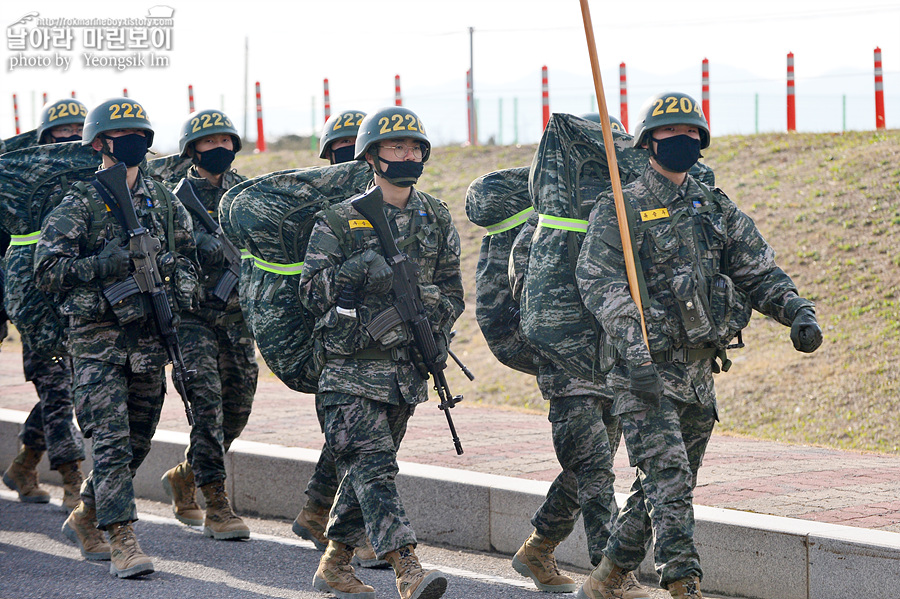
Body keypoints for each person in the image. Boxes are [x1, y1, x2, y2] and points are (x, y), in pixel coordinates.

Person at [575, 91, 823, 599]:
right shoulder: (620, 208)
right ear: (649, 143)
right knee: (667, 479)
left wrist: (795, 310)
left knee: (667, 485)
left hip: (696, 373)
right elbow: (597, 281)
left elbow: (755, 268)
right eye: (671, 134)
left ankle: (605, 579)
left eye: (691, 134)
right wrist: (634, 343)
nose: (682, 141)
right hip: (641, 370)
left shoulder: (711, 205)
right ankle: (683, 583)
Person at [300, 106, 463, 599]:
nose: (407, 154)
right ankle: (406, 568)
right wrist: (352, 273)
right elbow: (310, 292)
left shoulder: (434, 216)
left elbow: (453, 293)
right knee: (374, 466)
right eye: (396, 147)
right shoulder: (340, 219)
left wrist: (430, 315)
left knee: (365, 473)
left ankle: (334, 564)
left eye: (414, 147)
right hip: (348, 371)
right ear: (373, 156)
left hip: (404, 371)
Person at [34, 97, 200, 578]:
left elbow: (189, 258)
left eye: (141, 136)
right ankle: (122, 537)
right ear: (101, 143)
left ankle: (87, 514)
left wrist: (176, 279)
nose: (135, 143)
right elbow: (48, 271)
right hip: (95, 344)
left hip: (147, 342)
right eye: (124, 136)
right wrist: (104, 264)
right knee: (108, 443)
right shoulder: (79, 202)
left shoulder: (164, 202)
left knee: (138, 442)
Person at [507, 215, 648, 598]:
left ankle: (538, 547)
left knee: (581, 471)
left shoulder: (619, 212)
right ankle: (611, 572)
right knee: (595, 469)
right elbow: (524, 299)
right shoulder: (548, 222)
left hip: (613, 365)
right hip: (569, 368)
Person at [293, 108, 389, 568]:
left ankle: (318, 511)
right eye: (341, 153)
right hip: (331, 336)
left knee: (352, 436)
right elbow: (307, 284)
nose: (350, 162)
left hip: (385, 345)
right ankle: (360, 535)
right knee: (358, 438)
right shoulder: (326, 212)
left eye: (357, 151)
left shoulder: (393, 203)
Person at [159, 109, 258, 540]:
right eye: (208, 142)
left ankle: (186, 473)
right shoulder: (173, 199)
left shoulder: (247, 193)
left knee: (237, 407)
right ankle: (217, 503)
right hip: (191, 318)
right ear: (191, 149)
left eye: (224, 142)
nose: (218, 149)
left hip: (236, 318)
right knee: (207, 406)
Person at [2, 98, 89, 510]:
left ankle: (24, 463)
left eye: (78, 131)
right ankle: (74, 480)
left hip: (77, 296)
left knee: (64, 389)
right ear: (45, 138)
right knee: (57, 389)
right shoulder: (19, 188)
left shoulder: (89, 179)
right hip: (34, 300)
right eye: (62, 131)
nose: (71, 138)